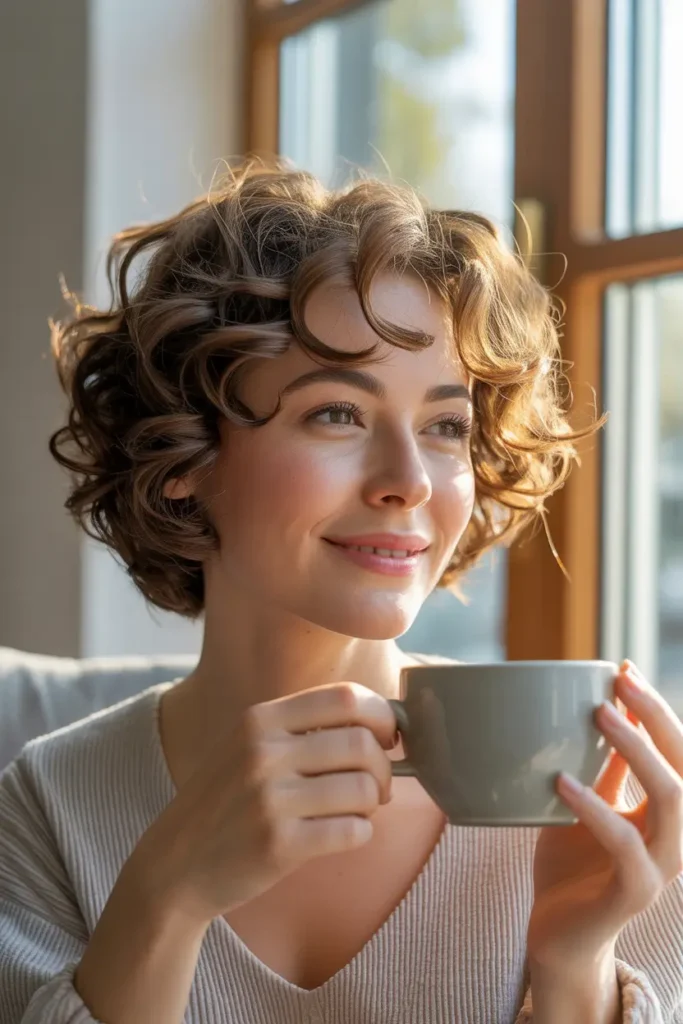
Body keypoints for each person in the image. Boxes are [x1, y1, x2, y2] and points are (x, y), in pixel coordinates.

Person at [0, 160, 681, 1024]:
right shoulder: (48, 804)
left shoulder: (606, 818)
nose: (410, 481)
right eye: (336, 413)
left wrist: (572, 967)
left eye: (445, 426)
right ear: (180, 454)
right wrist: (166, 895)